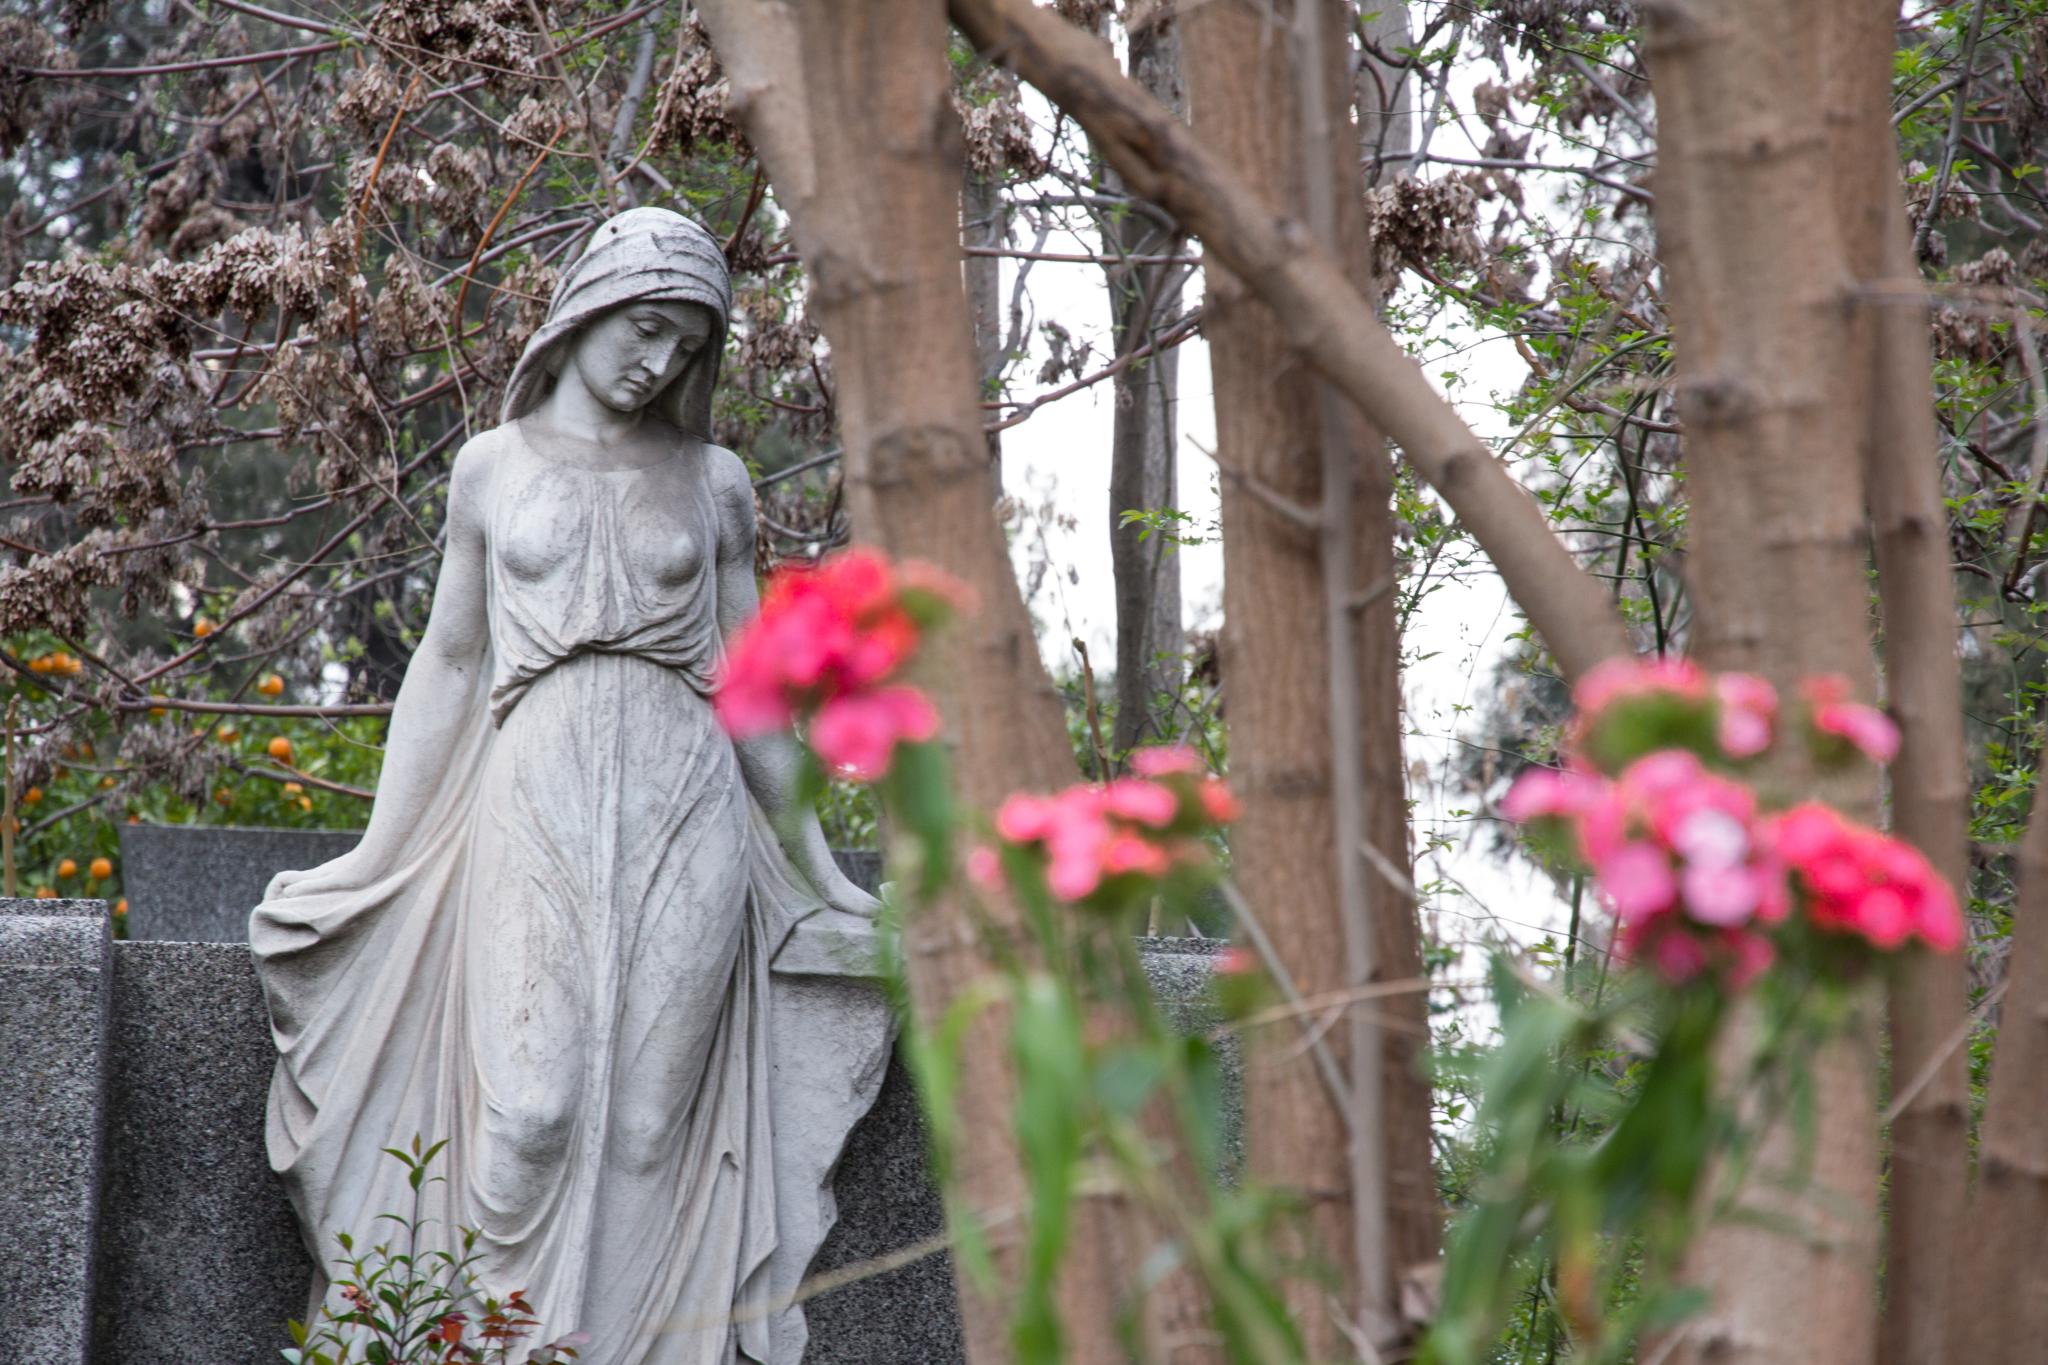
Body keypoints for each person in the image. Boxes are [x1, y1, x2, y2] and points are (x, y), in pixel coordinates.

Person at [253, 208, 881, 1365]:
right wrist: (376, 854)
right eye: (646, 329)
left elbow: (751, 688)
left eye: (687, 348)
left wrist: (820, 870)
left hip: (685, 798)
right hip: (534, 784)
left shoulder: (714, 479)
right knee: (529, 1112)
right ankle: (489, 1347)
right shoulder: (492, 469)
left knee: (650, 1122)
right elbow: (448, 662)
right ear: (587, 310)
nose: (659, 363)